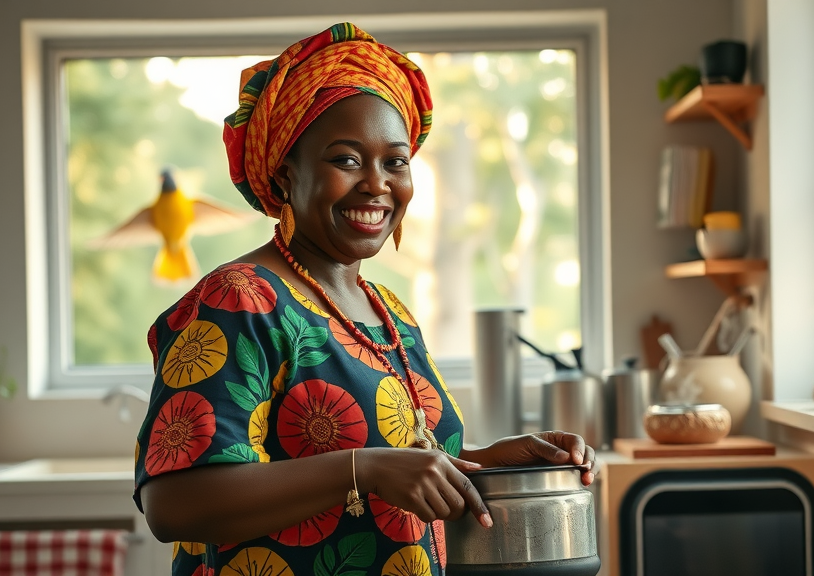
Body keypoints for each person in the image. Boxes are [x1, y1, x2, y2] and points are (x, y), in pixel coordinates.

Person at [133, 22, 596, 576]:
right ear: (284, 178)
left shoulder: (387, 310)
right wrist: (365, 469)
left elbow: (400, 469)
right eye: (347, 159)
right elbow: (176, 504)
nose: (377, 184)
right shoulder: (239, 301)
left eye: (395, 162)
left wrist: (487, 463)